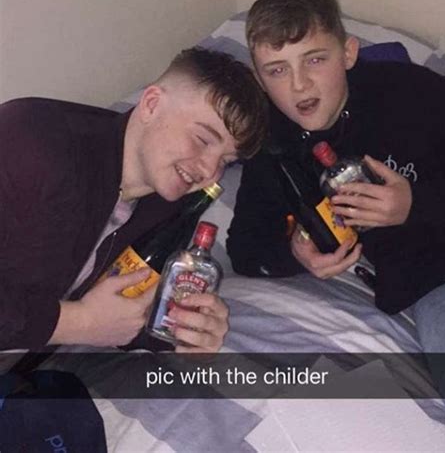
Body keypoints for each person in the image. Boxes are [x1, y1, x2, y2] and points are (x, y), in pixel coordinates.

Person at [227, 0, 445, 430]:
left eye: (315, 60)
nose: (299, 85)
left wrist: (416, 205)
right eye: (277, 70)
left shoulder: (416, 94)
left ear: (349, 53)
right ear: (259, 79)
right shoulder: (273, 143)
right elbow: (245, 248)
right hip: (440, 282)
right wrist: (296, 254)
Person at [0, 47, 267, 354]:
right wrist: (77, 322)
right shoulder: (31, 141)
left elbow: (121, 317)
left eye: (226, 161)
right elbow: (88, 321)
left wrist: (183, 333)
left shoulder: (171, 205)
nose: (209, 172)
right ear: (151, 104)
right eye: (203, 140)